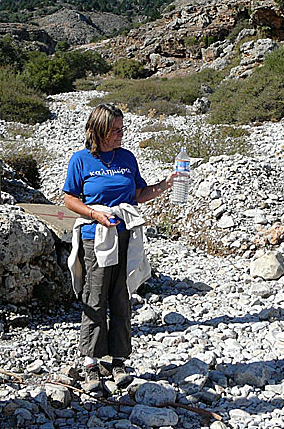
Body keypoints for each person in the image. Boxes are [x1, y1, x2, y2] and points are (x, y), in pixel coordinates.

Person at [63, 103, 175, 394]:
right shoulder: (81, 160)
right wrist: (93, 214)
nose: (121, 135)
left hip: (126, 235)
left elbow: (138, 194)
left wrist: (166, 184)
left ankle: (118, 360)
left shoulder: (127, 158)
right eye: (115, 130)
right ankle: (90, 361)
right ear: (98, 131)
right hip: (95, 235)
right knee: (95, 296)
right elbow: (69, 199)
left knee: (122, 298)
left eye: (122, 129)